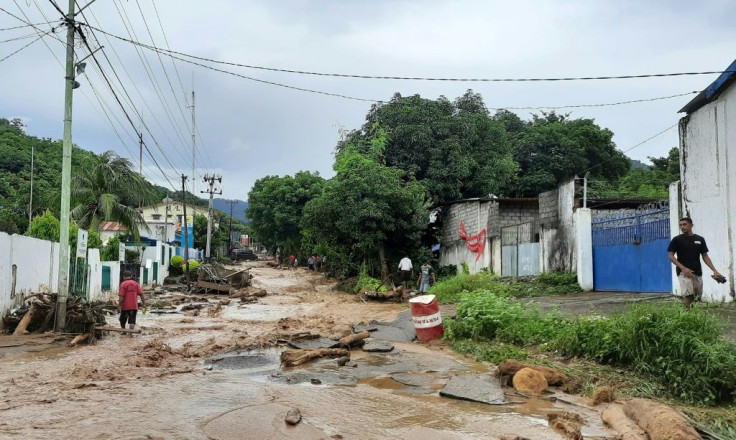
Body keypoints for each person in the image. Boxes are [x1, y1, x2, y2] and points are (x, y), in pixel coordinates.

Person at [667, 217, 723, 308]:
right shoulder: (677, 239)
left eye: (684, 224)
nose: (682, 227)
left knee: (697, 298)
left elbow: (705, 256)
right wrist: (683, 268)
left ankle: (693, 318)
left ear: (691, 225)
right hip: (683, 272)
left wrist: (714, 270)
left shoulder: (700, 239)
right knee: (689, 296)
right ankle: (685, 318)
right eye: (680, 225)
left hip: (697, 271)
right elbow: (671, 256)